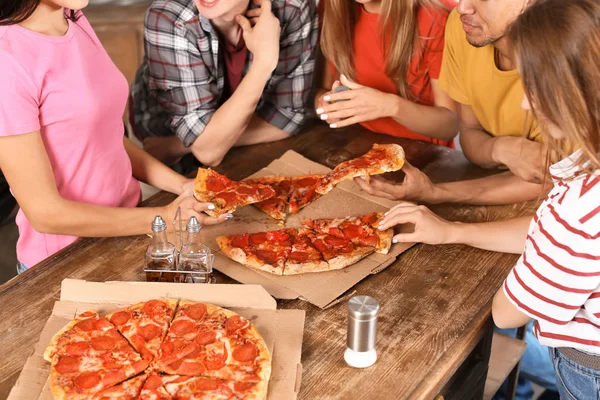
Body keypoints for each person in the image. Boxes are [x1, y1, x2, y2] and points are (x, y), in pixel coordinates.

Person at [0, 0, 228, 272]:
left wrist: (181, 186)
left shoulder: (73, 20)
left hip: (132, 235)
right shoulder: (7, 62)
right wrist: (165, 217)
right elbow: (45, 213)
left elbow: (103, 136)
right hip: (66, 264)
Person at [491, 1, 600, 398]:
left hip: (588, 371)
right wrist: (452, 231)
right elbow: (547, 237)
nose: (524, 103)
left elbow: (506, 312)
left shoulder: (579, 210)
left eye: (531, 85)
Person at [355, 0, 546, 207]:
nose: (462, 6)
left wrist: (435, 193)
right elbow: (470, 134)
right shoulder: (463, 26)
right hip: (492, 179)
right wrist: (500, 148)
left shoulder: (567, 56)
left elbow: (547, 180)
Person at [130, 0, 319, 167]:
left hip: (180, 147)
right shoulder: (168, 15)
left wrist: (178, 146)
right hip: (154, 156)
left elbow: (288, 118)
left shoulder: (292, 6)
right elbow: (209, 154)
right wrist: (264, 62)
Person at [314, 0, 458, 146]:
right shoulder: (332, 6)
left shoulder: (438, 15)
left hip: (423, 153)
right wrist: (328, 107)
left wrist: (392, 107)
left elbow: (450, 126)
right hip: (356, 142)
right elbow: (321, 93)